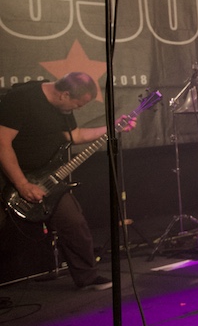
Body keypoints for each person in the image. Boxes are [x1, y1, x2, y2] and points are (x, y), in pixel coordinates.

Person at [0, 73, 132, 290]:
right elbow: (2, 143)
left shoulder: (63, 108)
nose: (78, 109)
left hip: (45, 178)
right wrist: (22, 184)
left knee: (73, 222)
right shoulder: (22, 99)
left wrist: (114, 127)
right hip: (9, 174)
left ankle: (87, 278)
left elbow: (75, 135)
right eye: (78, 104)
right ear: (64, 94)